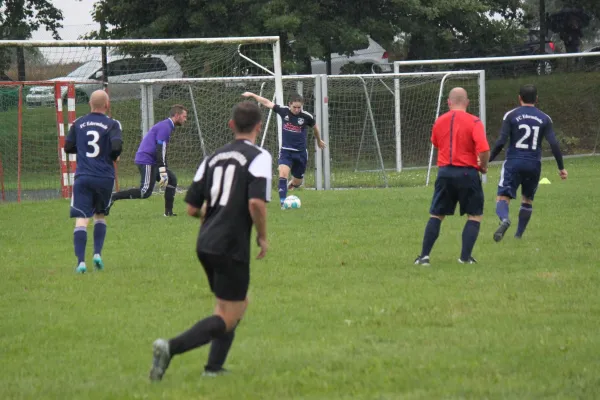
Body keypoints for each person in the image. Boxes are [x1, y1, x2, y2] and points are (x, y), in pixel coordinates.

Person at [149, 100, 271, 381]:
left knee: (230, 306)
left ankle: (213, 369)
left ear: (230, 126)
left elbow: (191, 208)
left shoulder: (211, 159)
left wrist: (212, 216)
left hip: (205, 242)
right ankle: (169, 348)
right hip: (230, 244)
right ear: (258, 127)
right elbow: (256, 203)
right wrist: (262, 237)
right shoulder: (259, 156)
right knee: (230, 315)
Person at [414, 87, 490, 266]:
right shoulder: (474, 121)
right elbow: (484, 149)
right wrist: (483, 166)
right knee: (474, 215)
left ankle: (424, 256)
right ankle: (464, 258)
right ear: (467, 103)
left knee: (437, 214)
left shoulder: (439, 121)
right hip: (467, 172)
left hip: (445, 172)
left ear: (448, 102)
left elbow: (435, 142)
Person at [489, 84, 567, 241]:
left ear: (519, 98)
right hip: (533, 165)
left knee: (503, 197)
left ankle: (505, 219)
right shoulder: (545, 118)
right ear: (536, 99)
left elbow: (501, 142)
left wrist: (488, 160)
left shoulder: (510, 116)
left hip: (513, 163)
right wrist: (561, 168)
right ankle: (518, 236)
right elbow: (554, 144)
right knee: (527, 200)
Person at [64, 90, 123, 273]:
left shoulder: (78, 123)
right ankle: (97, 254)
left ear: (90, 104)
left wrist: (82, 151)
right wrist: (113, 156)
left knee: (82, 220)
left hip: (84, 177)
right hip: (105, 178)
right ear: (107, 105)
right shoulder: (113, 124)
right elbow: (116, 147)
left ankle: (81, 263)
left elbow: (67, 147)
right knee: (100, 215)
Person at [241, 91, 326, 207]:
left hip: (301, 153)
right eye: (294, 107)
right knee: (283, 174)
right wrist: (252, 95)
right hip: (286, 151)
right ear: (289, 104)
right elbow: (267, 102)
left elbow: (315, 128)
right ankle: (283, 203)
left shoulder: (306, 116)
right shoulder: (283, 111)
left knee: (298, 182)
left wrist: (319, 140)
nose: (297, 110)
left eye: (299, 107)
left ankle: (293, 184)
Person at [108, 104, 187, 216]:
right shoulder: (165, 127)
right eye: (184, 116)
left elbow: (162, 152)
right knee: (145, 192)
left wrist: (164, 171)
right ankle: (113, 196)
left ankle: (168, 213)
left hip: (153, 161)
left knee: (172, 179)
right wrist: (163, 170)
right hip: (146, 161)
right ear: (177, 115)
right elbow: (160, 150)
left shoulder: (167, 126)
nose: (185, 119)